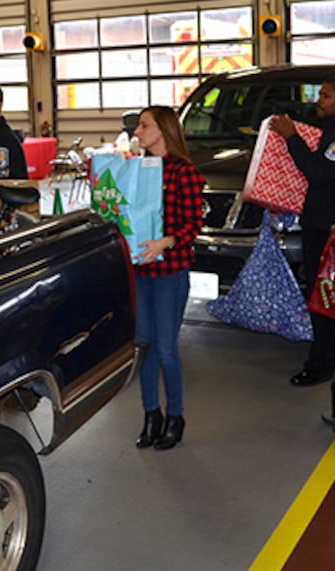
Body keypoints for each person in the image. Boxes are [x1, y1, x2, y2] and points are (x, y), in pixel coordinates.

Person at [269, 77, 335, 386]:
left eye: (326, 95)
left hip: (332, 229)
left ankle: (323, 362)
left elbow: (319, 171)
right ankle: (330, 354)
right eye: (319, 95)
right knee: (321, 293)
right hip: (317, 223)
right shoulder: (326, 129)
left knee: (325, 294)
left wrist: (291, 138)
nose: (319, 100)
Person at [132, 106, 206, 451]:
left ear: (163, 130)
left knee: (165, 349)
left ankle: (175, 415)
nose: (137, 131)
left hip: (169, 271)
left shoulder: (183, 173)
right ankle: (151, 414)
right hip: (140, 271)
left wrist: (167, 240)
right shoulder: (137, 170)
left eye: (144, 125)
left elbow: (193, 224)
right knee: (143, 348)